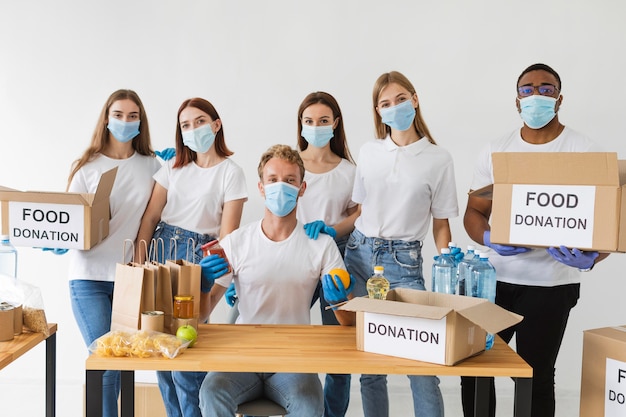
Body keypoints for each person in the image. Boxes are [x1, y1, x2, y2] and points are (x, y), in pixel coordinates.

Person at [461, 63, 609, 417]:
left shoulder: (584, 151)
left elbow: (610, 223)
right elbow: (474, 212)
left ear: (559, 99)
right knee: (474, 369)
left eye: (546, 88)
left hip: (551, 285)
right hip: (494, 280)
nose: (536, 95)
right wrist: (488, 238)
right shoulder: (498, 151)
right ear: (517, 100)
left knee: (534, 376)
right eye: (527, 89)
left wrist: (591, 259)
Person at [198, 144, 354, 417]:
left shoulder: (320, 245)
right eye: (272, 180)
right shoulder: (237, 242)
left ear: (302, 188)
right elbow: (202, 314)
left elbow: (348, 322)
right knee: (211, 392)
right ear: (261, 187)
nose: (280, 187)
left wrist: (340, 300)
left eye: (290, 180)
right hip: (244, 357)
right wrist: (202, 286)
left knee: (308, 403)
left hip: (292, 360)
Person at [343, 71, 458, 417]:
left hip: (403, 263)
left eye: (400, 99)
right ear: (378, 111)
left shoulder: (438, 159)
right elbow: (359, 210)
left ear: (415, 100)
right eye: (385, 103)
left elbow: (441, 224)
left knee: (422, 366)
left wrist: (447, 263)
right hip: (359, 255)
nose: (394, 108)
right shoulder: (369, 151)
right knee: (370, 365)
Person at [135, 97, 247, 417]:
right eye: (185, 125)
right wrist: (139, 263)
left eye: (199, 121)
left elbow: (227, 239)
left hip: (197, 259)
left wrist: (216, 286)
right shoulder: (172, 167)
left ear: (216, 124)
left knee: (185, 356)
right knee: (161, 352)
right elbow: (150, 218)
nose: (193, 129)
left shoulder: (231, 172)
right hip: (161, 251)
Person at [63, 89, 162, 417]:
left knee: (122, 362)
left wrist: (177, 166)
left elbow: (152, 219)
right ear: (106, 119)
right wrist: (58, 239)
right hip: (88, 277)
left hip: (128, 279)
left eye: (132, 116)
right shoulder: (87, 167)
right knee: (106, 359)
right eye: (118, 115)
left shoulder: (152, 166)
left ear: (141, 121)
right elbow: (68, 223)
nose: (125, 121)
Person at [296, 91, 358, 417]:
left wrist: (334, 229)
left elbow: (360, 213)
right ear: (301, 125)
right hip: (295, 261)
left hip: (336, 259)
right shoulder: (290, 165)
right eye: (309, 121)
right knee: (279, 333)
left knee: (339, 350)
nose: (316, 127)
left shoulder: (348, 170)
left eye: (323, 121)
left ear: (335, 124)